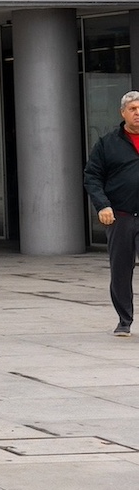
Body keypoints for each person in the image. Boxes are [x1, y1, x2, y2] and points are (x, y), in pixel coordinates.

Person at [84, 91, 139, 336]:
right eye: (133, 109)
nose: (138, 113)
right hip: (121, 216)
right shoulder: (108, 143)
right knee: (120, 269)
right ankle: (124, 320)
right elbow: (92, 176)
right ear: (123, 113)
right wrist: (102, 205)